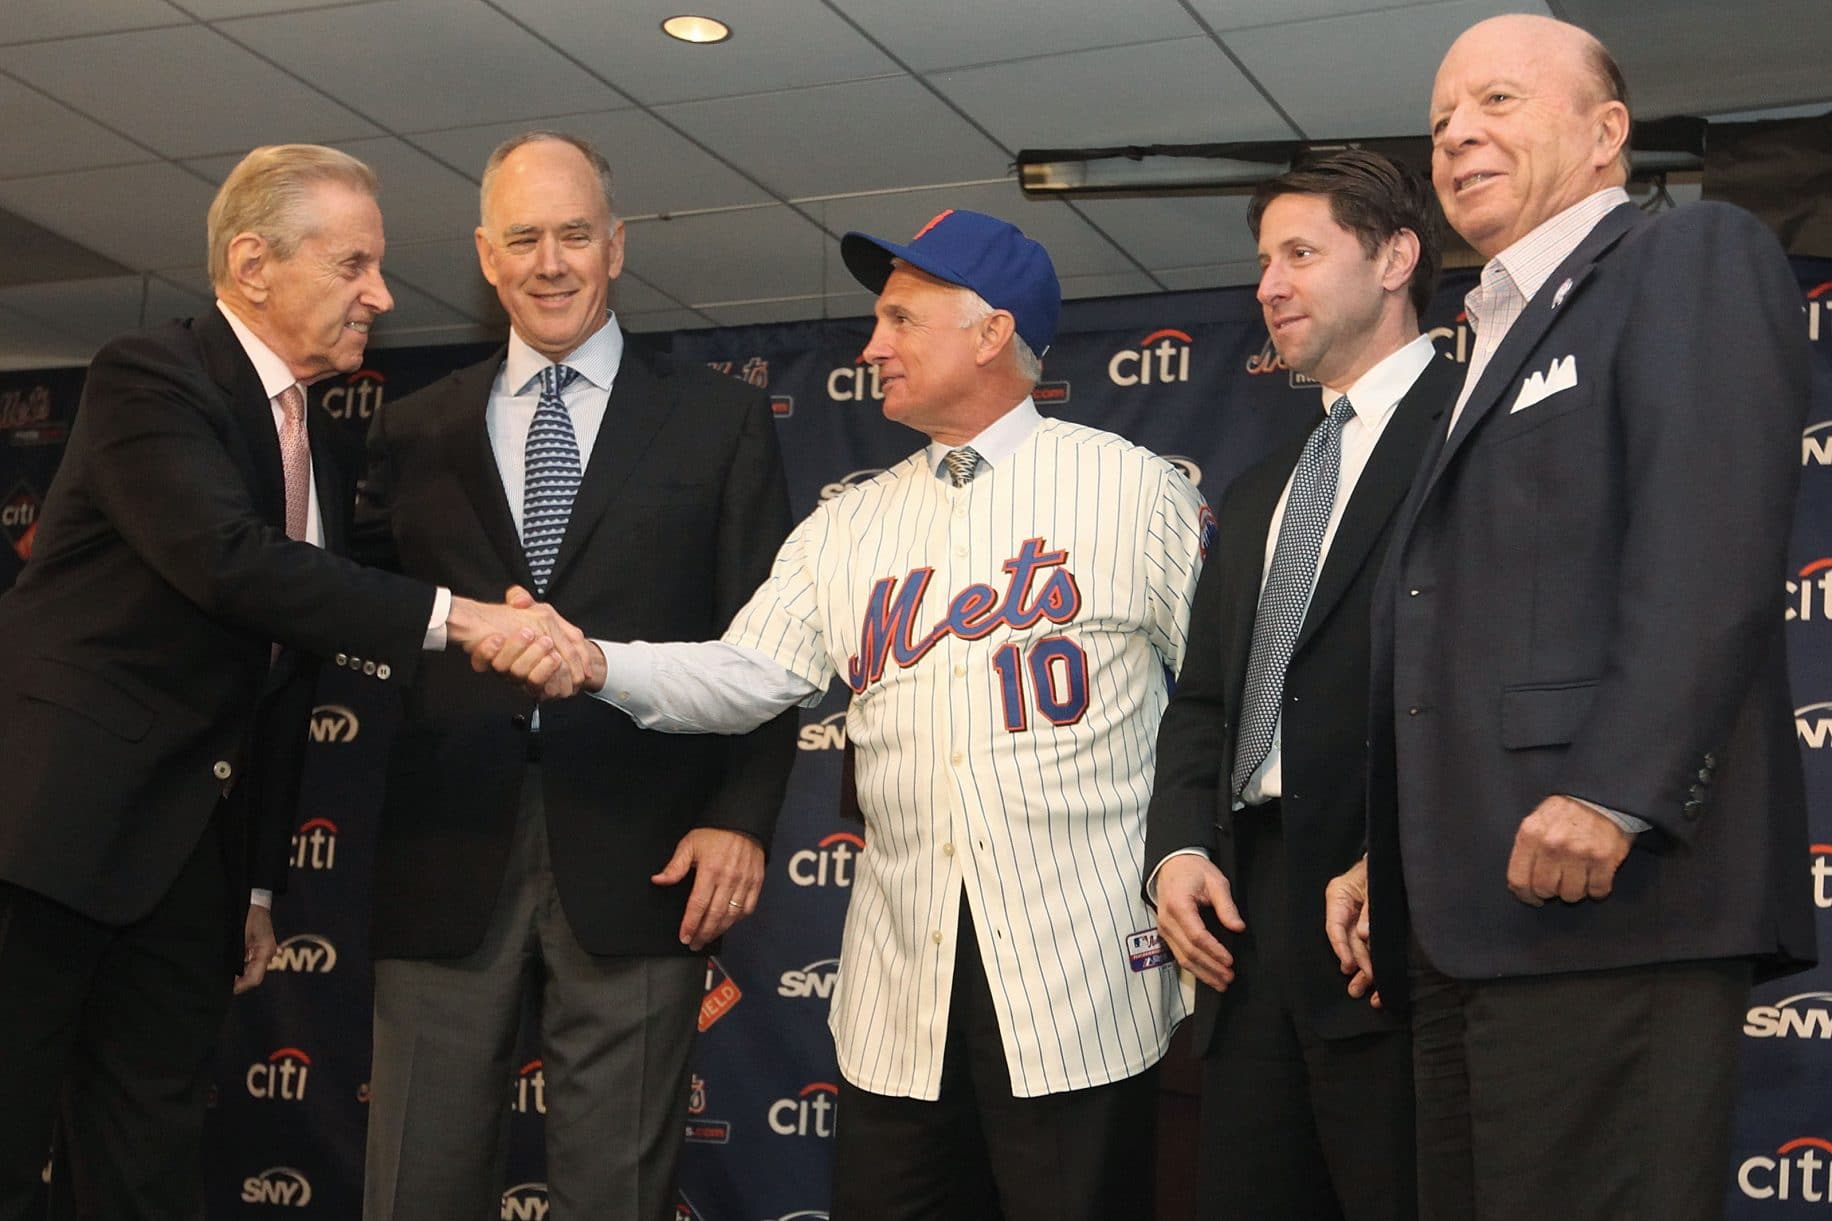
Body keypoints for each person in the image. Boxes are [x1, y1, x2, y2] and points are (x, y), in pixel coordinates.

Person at [482, 208, 1210, 1219]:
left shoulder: (1129, 490)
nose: (873, 347)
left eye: (903, 321)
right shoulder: (850, 524)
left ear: (990, 332)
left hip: (1077, 978)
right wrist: (597, 662)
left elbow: (1221, 697)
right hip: (900, 993)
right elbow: (746, 674)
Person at [0, 144, 583, 1221]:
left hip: (184, 868)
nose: (382, 294)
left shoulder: (307, 434)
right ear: (253, 262)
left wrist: (258, 882)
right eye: (355, 263)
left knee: (146, 1159)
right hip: (44, 843)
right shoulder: (152, 376)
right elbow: (232, 568)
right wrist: (465, 620)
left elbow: (269, 676)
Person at [1325, 15, 1816, 1221]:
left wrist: (1614, 790)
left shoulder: (1685, 255)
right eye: (1441, 120)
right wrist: (1390, 850)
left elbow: (1707, 547)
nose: (1456, 137)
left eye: (1495, 101)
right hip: (1463, 918)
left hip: (1610, 898)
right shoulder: (1476, 344)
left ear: (1606, 135)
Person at [353, 130, 797, 1221]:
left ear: (617, 247)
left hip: (644, 851)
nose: (548, 262)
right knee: (413, 1183)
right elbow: (357, 630)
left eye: (573, 235)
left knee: (614, 1193)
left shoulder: (718, 418)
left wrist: (740, 818)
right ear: (485, 258)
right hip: (445, 842)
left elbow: (772, 644)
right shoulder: (413, 430)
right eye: (522, 239)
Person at [1144, 149, 1455, 1221]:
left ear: (1395, 257)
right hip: (1245, 932)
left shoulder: (1471, 433)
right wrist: (1178, 848)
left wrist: (1407, 855)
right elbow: (1202, 701)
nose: (1267, 284)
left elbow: (1472, 677)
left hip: (1390, 918)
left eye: (1299, 253)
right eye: (1261, 259)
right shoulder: (1261, 483)